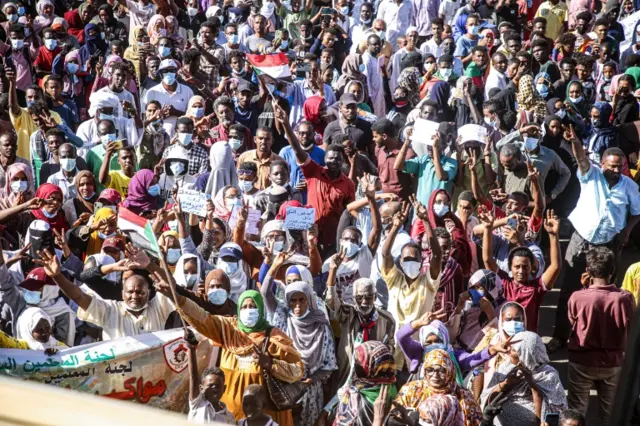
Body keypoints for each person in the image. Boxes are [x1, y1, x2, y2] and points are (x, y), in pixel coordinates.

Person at [155, 270, 303, 426]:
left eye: (253, 306)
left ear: (261, 310)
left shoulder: (275, 338)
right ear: (238, 310)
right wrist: (176, 298)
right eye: (244, 307)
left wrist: (271, 364)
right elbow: (201, 317)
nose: (248, 310)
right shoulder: (228, 329)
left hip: (264, 418)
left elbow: (298, 371)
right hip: (228, 417)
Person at [547, 138, 640, 353]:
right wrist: (575, 143)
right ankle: (560, 336)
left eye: (619, 166)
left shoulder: (630, 186)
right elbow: (581, 159)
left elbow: (636, 213)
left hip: (608, 244)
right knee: (570, 288)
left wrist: (626, 231)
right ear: (603, 164)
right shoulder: (592, 176)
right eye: (612, 166)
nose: (615, 170)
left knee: (602, 293)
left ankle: (593, 339)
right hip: (582, 239)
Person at [566, 247, 635, 423]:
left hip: (581, 362)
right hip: (613, 363)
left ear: (588, 270)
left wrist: (584, 288)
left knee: (576, 411)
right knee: (610, 413)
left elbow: (574, 321)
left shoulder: (577, 296)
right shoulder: (625, 298)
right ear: (612, 270)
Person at [481, 208, 562, 332]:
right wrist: (487, 228)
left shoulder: (537, 288)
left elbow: (555, 267)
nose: (521, 271)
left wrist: (553, 235)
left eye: (525, 267)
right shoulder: (504, 283)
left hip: (527, 341)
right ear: (510, 267)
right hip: (503, 341)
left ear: (531, 268)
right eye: (517, 267)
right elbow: (487, 259)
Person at [481, 332, 568, 426]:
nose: (508, 351)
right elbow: (488, 401)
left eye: (514, 349)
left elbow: (550, 416)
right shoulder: (505, 368)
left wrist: (532, 384)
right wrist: (504, 385)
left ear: (526, 354)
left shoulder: (548, 376)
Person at [390, 349, 483, 424]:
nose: (435, 375)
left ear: (450, 371)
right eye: (430, 370)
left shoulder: (464, 397)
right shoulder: (412, 390)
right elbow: (395, 418)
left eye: (442, 370)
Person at [333, 340, 397, 426]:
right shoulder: (393, 389)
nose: (356, 364)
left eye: (360, 362)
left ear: (373, 366)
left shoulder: (356, 396)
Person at [185, 329, 236, 424]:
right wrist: (191, 349)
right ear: (201, 388)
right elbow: (194, 378)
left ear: (224, 389)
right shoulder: (198, 404)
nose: (214, 388)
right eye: (210, 385)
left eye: (218, 386)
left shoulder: (229, 418)